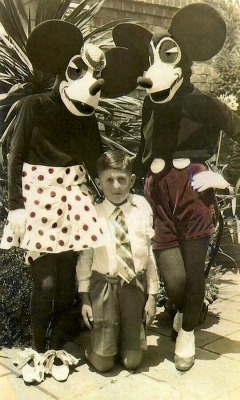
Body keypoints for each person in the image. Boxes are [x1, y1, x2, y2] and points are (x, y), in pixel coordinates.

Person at [110, 4, 240, 372]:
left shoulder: (202, 102)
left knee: (194, 272)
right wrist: (122, 185)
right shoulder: (150, 108)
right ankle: (182, 311)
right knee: (175, 278)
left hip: (194, 196)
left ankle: (186, 331)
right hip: (158, 198)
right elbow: (143, 151)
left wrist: (225, 177)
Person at [76, 150, 159, 373]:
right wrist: (84, 298)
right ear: (98, 183)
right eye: (109, 180)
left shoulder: (140, 213)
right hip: (103, 287)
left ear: (131, 181)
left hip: (134, 286)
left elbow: (149, 257)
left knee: (132, 362)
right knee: (103, 365)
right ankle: (94, 347)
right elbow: (85, 260)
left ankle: (124, 342)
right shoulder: (93, 215)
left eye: (121, 179)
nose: (116, 186)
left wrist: (152, 296)